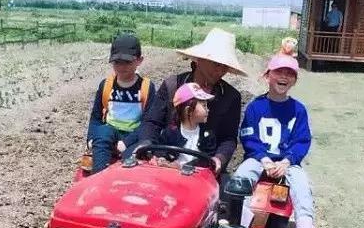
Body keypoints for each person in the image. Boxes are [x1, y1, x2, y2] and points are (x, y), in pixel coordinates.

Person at [235, 52, 328, 228]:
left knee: (303, 189)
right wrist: (264, 159)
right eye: (279, 72)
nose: (284, 77)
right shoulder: (256, 107)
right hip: (260, 160)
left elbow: (302, 141)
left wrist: (287, 161)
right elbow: (249, 136)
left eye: (289, 73)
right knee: (240, 178)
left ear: (295, 80)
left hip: (287, 163)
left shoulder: (299, 110)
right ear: (268, 75)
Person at [134, 28, 247, 174]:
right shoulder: (172, 85)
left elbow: (228, 138)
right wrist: (145, 144)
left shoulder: (231, 97)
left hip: (204, 168)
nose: (220, 70)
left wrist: (219, 159)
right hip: (164, 162)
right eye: (216, 64)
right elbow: (152, 122)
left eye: (224, 66)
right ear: (199, 60)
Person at [87, 32, 155, 174]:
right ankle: (98, 178)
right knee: (102, 132)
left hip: (134, 136)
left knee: (132, 161)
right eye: (117, 62)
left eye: (127, 62)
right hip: (110, 133)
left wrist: (126, 142)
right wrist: (91, 138)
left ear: (139, 60)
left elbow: (148, 123)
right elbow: (96, 117)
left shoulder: (147, 88)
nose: (121, 67)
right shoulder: (106, 85)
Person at [157, 82, 217, 166]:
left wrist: (184, 166)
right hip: (171, 175)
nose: (208, 110)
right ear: (188, 111)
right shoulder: (170, 132)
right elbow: (160, 150)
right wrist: (163, 159)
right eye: (204, 106)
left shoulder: (207, 134)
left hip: (196, 176)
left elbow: (208, 158)